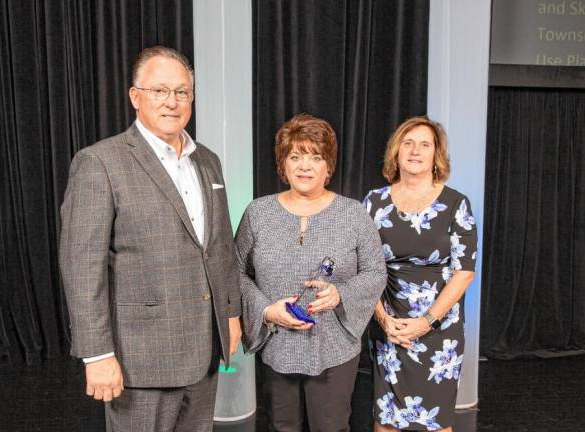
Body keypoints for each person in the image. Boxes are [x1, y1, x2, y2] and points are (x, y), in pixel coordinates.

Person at [59, 46, 241, 432]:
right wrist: (97, 354)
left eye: (182, 92)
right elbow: (82, 266)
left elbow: (221, 247)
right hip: (139, 359)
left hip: (205, 350)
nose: (172, 102)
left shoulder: (207, 160)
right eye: (160, 91)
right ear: (135, 97)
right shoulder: (100, 163)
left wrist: (230, 314)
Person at [236, 113, 387, 432]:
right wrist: (265, 310)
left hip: (333, 346)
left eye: (315, 157)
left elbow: (376, 271)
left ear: (328, 166)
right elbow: (234, 273)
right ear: (283, 164)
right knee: (281, 426)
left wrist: (341, 293)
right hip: (277, 344)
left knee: (331, 427)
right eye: (295, 156)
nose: (304, 166)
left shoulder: (354, 214)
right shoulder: (257, 213)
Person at [363, 116, 477, 432]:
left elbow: (464, 272)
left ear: (435, 154)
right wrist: (384, 321)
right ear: (396, 152)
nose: (415, 151)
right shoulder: (374, 202)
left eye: (425, 144)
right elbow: (363, 268)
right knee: (386, 418)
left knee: (436, 422)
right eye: (408, 143)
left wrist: (426, 321)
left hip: (440, 329)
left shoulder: (456, 204)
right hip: (390, 325)